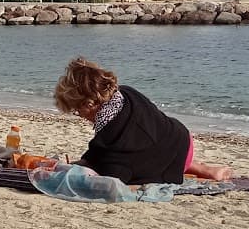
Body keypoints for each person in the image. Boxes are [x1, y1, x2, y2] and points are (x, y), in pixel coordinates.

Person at [53, 56, 231, 185]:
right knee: (153, 147)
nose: (81, 116)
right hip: (182, 140)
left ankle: (198, 168)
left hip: (165, 155)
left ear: (89, 104)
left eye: (77, 111)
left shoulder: (111, 138)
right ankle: (204, 169)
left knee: (145, 164)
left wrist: (80, 168)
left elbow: (115, 174)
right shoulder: (127, 93)